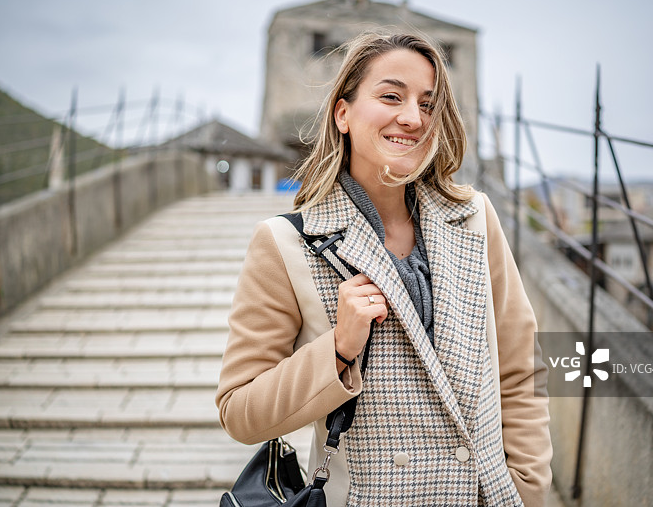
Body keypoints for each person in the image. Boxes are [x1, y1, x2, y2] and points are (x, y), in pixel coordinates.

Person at [216, 31, 552, 507]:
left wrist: (527, 485)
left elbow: (522, 368)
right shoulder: (286, 243)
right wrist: (336, 350)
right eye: (391, 96)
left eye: (428, 104)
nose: (413, 118)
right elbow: (239, 410)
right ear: (343, 113)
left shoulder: (476, 219)